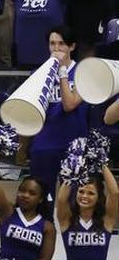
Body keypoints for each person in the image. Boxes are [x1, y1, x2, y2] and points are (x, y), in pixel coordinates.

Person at [25, 26, 89, 194]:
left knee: (72, 201)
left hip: (73, 145)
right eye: (52, 44)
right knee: (41, 199)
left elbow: (69, 105)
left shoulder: (84, 73)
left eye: (61, 44)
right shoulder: (38, 73)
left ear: (72, 47)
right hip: (43, 145)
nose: (56, 49)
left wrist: (61, 72)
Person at [32, 169, 118, 260]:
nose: (84, 196)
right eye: (81, 191)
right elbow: (62, 198)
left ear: (99, 197)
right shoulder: (67, 220)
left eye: (91, 193)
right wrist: (73, 167)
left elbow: (115, 193)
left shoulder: (106, 221)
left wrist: (101, 163)